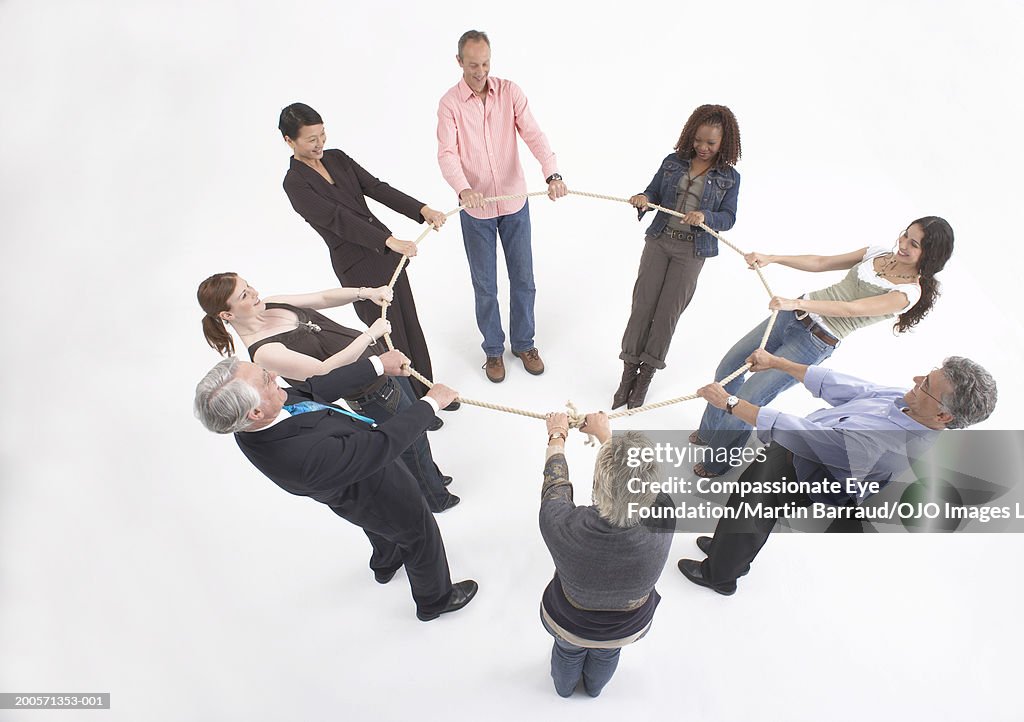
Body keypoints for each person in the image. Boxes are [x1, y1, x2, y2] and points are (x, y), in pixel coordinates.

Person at [677, 349, 997, 595]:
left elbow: (799, 434)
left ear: (942, 416)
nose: (915, 381)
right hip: (800, 448)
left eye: (926, 385)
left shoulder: (887, 446)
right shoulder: (910, 403)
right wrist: (778, 362)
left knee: (753, 507)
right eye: (926, 376)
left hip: (809, 472)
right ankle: (725, 549)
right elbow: (851, 388)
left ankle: (720, 575)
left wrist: (730, 403)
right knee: (746, 497)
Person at [193, 352, 478, 621]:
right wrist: (431, 403)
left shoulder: (261, 412)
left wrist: (377, 365)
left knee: (379, 527)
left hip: (355, 484)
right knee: (418, 534)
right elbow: (381, 445)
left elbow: (313, 390)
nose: (275, 374)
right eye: (267, 379)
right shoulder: (299, 457)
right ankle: (434, 600)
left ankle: (386, 561)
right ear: (254, 412)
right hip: (374, 489)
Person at [692, 216, 954, 477]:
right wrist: (772, 258)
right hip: (788, 316)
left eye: (914, 244)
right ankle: (710, 432)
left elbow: (850, 310)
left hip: (814, 341)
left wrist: (798, 304)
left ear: (929, 256)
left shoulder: (908, 293)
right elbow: (821, 262)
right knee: (728, 367)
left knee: (750, 397)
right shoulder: (878, 253)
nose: (903, 244)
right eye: (905, 235)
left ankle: (718, 461)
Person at [197, 272, 460, 513]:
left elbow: (321, 298)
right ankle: (434, 496)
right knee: (413, 442)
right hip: (371, 389)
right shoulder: (264, 351)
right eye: (244, 295)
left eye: (248, 285)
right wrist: (370, 335)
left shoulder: (270, 303)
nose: (254, 292)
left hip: (382, 363)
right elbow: (324, 371)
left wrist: (365, 292)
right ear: (227, 315)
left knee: (416, 424)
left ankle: (430, 477)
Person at [279, 102, 448, 400]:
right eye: (311, 139)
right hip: (357, 266)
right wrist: (387, 240)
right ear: (289, 141)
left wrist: (422, 209)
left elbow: (376, 187)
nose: (320, 144)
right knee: (388, 337)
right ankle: (412, 402)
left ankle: (429, 391)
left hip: (386, 257)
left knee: (410, 323)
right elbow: (337, 219)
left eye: (322, 134)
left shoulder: (337, 158)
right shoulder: (295, 183)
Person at [437, 29, 568, 383]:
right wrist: (464, 189)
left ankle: (524, 343)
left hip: (514, 203)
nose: (480, 71)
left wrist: (552, 174)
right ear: (459, 62)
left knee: (523, 280)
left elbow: (534, 135)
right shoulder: (449, 104)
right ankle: (493, 351)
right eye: (473, 64)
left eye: (486, 63)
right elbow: (447, 154)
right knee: (485, 286)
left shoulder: (510, 92)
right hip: (475, 211)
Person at [614, 105, 742, 409]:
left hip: (691, 251)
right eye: (699, 140)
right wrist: (644, 199)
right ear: (690, 135)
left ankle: (645, 377)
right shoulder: (673, 162)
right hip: (659, 242)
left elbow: (729, 217)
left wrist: (706, 215)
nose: (704, 147)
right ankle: (627, 376)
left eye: (711, 143)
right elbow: (653, 192)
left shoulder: (730, 178)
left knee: (667, 315)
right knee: (642, 307)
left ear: (725, 142)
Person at [538, 411, 671, 698]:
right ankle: (595, 691)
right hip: (627, 627)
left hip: (569, 623)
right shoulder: (665, 514)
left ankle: (563, 691)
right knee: (607, 655)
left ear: (597, 485)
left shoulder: (563, 525)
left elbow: (554, 488)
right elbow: (632, 484)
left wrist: (557, 435)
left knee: (567, 651)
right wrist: (605, 436)